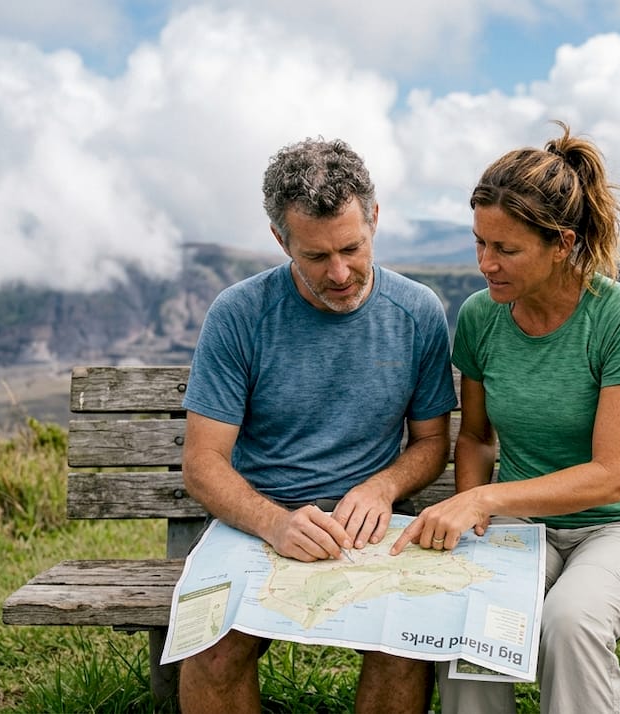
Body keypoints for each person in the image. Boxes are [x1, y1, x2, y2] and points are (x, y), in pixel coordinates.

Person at [390, 121, 620, 713]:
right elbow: (475, 437)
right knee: (469, 608)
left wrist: (484, 500)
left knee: (570, 623)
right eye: (479, 243)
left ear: (562, 244)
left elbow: (610, 477)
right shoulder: (480, 317)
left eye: (506, 249)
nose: (485, 263)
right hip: (522, 530)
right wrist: (474, 520)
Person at [178, 137, 457, 714]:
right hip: (257, 523)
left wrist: (383, 487)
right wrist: (274, 523)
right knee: (211, 653)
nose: (339, 273)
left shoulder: (417, 312)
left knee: (403, 647)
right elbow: (202, 464)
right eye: (315, 256)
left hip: (371, 528)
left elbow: (432, 443)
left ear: (374, 218)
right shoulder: (239, 313)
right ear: (281, 240)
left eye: (352, 248)